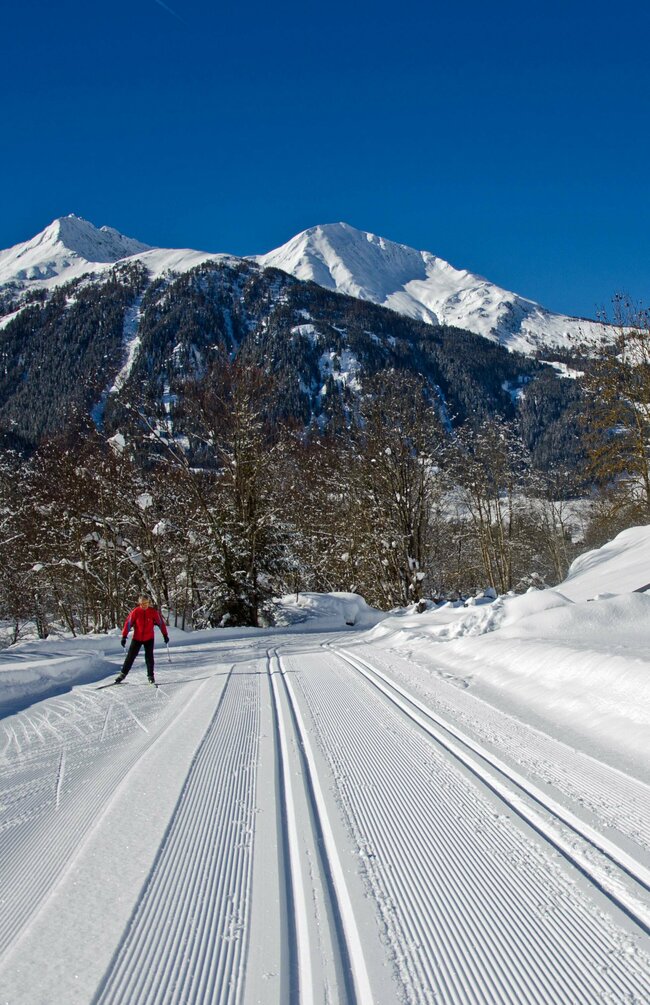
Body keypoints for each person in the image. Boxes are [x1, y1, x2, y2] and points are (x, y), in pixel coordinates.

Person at [115, 594, 169, 685]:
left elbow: (161, 623)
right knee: (130, 657)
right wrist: (124, 636)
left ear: (149, 603)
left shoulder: (153, 612)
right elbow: (128, 623)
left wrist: (165, 635)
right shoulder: (136, 612)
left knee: (149, 657)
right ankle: (122, 674)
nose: (144, 605)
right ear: (139, 603)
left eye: (146, 603)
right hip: (137, 638)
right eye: (142, 603)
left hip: (149, 638)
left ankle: (150, 676)